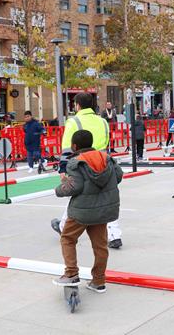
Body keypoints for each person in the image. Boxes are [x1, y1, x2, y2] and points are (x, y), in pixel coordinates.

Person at [53, 129, 123, 292]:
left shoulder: (75, 162)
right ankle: (99, 281)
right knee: (100, 246)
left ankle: (71, 273)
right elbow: (119, 176)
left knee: (68, 238)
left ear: (74, 146)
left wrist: (60, 188)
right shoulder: (106, 158)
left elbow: (74, 186)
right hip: (103, 210)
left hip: (82, 211)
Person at [51, 93, 123, 249]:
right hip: (103, 162)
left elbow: (66, 147)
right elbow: (106, 143)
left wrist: (63, 169)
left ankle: (64, 227)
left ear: (77, 105)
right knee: (107, 197)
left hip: (81, 164)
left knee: (78, 197)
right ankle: (114, 234)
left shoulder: (74, 121)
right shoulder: (103, 121)